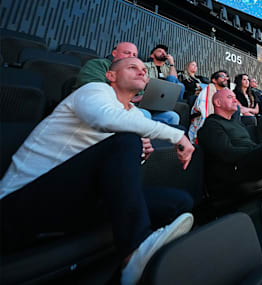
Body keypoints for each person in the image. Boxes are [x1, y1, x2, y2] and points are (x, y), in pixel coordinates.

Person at [0, 57, 196, 285]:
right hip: (20, 202)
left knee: (180, 203)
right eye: (133, 67)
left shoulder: (133, 114)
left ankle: (126, 275)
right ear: (110, 76)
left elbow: (115, 166)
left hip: (77, 201)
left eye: (144, 70)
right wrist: (175, 134)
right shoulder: (94, 90)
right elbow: (104, 120)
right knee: (127, 141)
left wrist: (141, 156)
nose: (142, 72)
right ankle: (134, 250)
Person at [197, 89, 262, 198]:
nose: (235, 100)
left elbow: (250, 145)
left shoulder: (237, 123)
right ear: (218, 103)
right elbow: (227, 153)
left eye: (235, 97)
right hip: (235, 167)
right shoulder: (212, 125)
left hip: (249, 160)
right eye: (230, 97)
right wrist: (260, 148)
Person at [73, 42, 180, 125]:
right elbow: (93, 89)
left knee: (172, 116)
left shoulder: (135, 73)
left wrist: (144, 98)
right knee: (144, 115)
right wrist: (129, 99)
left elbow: (137, 96)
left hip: (134, 107)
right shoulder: (99, 64)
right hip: (106, 109)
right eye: (127, 53)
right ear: (114, 53)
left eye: (134, 55)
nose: (131, 56)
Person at [188, 70, 229, 144]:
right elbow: (204, 111)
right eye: (222, 76)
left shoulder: (227, 92)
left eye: (227, 77)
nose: (226, 78)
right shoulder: (207, 91)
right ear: (214, 80)